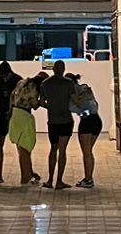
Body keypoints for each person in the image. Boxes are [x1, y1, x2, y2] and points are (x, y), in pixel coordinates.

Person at [40, 59, 76, 189]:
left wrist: (51, 107)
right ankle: (59, 181)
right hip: (66, 120)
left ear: (53, 69)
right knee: (62, 150)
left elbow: (41, 103)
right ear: (63, 69)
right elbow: (74, 99)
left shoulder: (45, 84)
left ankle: (50, 180)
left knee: (53, 149)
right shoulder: (69, 83)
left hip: (53, 121)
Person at [0, 61, 23, 184]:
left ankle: (27, 172)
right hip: (2, 116)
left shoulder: (18, 80)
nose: (4, 78)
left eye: (5, 75)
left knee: (21, 146)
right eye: (2, 76)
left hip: (15, 117)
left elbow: (20, 99)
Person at [8, 72, 45, 186]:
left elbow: (12, 96)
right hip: (24, 116)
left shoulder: (22, 82)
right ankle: (25, 177)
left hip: (15, 114)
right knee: (25, 149)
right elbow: (34, 105)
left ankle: (28, 173)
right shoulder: (34, 88)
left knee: (21, 149)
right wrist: (42, 99)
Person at [68, 71, 102, 189]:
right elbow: (95, 105)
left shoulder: (72, 93)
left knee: (86, 153)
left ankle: (88, 179)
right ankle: (89, 178)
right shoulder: (86, 88)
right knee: (89, 152)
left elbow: (72, 107)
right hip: (97, 120)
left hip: (86, 121)